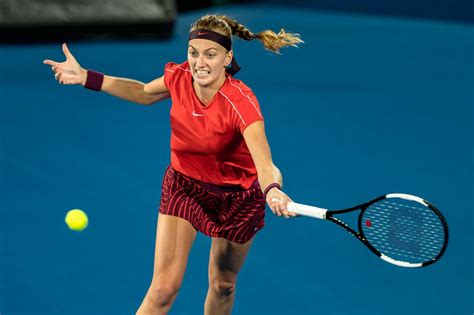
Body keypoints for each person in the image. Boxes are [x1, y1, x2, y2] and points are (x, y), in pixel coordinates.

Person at [43, 14, 303, 315]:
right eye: (194, 53)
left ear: (227, 57)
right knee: (164, 288)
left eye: (211, 54)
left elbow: (265, 164)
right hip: (186, 186)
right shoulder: (179, 78)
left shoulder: (241, 102)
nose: (200, 63)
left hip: (238, 197)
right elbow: (142, 92)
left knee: (223, 284)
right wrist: (87, 76)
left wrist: (272, 189)